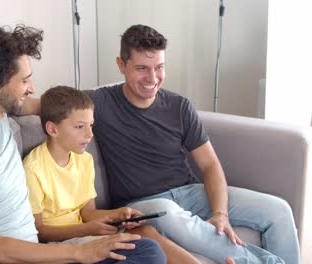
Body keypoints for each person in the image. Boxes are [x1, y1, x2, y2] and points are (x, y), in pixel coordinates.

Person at [0, 23, 166, 264]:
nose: (31, 89)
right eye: (24, 81)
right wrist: (80, 252)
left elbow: (58, 109)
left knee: (147, 250)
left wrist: (102, 115)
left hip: (33, 253)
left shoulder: (1, 115)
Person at [79, 24, 299, 263]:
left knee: (278, 210)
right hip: (144, 205)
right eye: (142, 68)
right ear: (121, 65)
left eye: (159, 67)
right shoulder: (97, 102)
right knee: (169, 214)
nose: (152, 78)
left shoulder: (179, 106)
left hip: (190, 192)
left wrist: (220, 214)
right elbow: (46, 105)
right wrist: (28, 88)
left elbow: (210, 165)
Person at [23, 85, 198, 264]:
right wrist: (85, 230)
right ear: (53, 129)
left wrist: (119, 215)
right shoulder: (33, 169)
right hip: (62, 246)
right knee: (150, 251)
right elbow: (39, 231)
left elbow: (88, 212)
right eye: (80, 127)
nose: (90, 134)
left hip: (84, 233)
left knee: (146, 232)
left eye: (91, 125)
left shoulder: (84, 160)